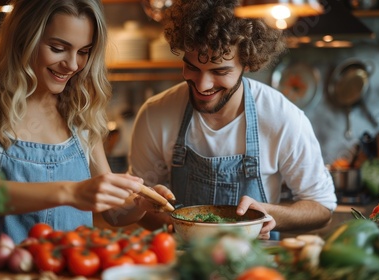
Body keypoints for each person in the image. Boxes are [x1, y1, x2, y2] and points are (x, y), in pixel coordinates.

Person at [105, 0, 337, 240]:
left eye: (219, 71)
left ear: (247, 62)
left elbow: (321, 208)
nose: (203, 85)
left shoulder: (282, 117)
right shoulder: (156, 114)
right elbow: (140, 205)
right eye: (192, 68)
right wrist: (181, 227)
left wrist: (269, 213)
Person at [0, 0, 152, 244]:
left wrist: (141, 205)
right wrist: (70, 192)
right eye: (58, 48)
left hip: (71, 268)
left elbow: (112, 213)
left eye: (83, 52)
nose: (72, 65)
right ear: (25, 37)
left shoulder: (80, 105)